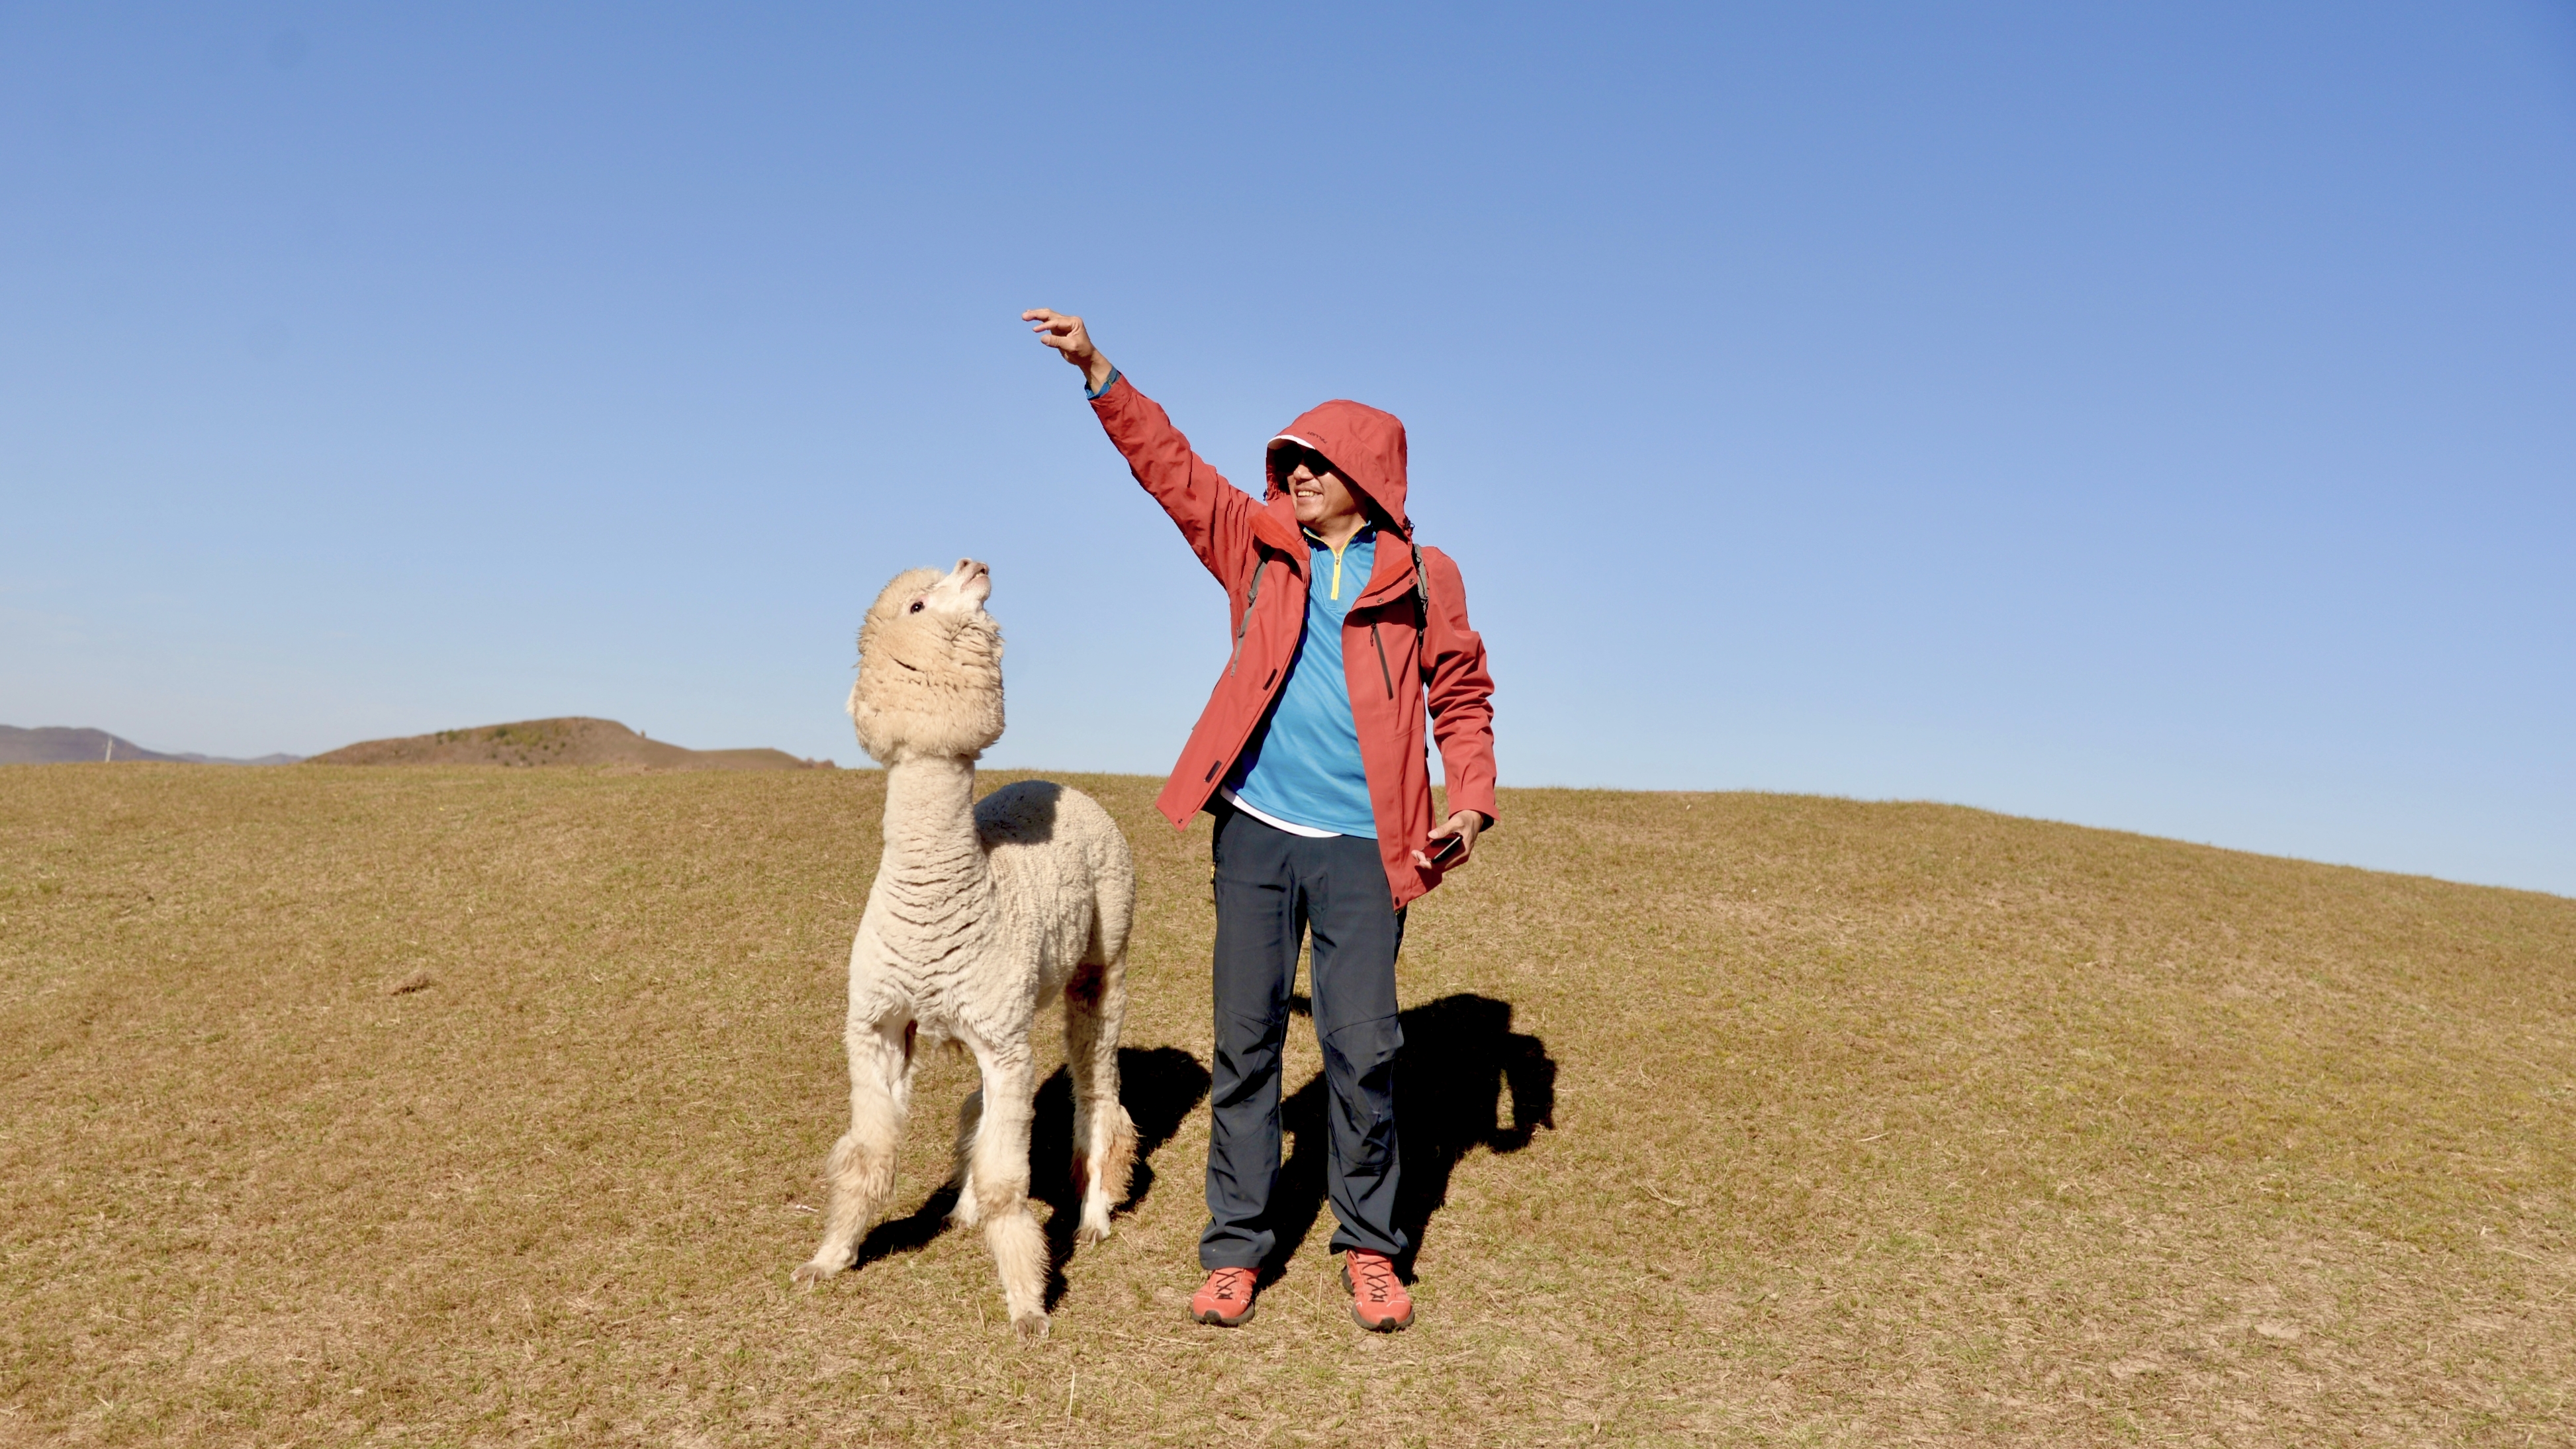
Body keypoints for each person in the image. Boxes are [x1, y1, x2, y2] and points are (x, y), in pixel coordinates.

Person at [1024, 308, 1498, 1333]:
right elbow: (1171, 469)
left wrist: (1470, 796)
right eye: (1289, 461)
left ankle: (1371, 1246)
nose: (1296, 475)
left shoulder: (1425, 576)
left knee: (1364, 1050)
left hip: (1369, 849)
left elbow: (1461, 691)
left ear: (1368, 478)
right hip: (1255, 831)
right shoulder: (1256, 543)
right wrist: (1099, 370)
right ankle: (1235, 1250)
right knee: (1245, 1045)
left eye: (1317, 463)